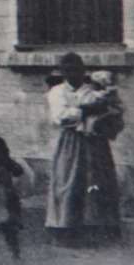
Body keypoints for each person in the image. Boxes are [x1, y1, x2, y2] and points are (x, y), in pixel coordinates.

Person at [45, 52, 124, 246]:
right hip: (70, 142)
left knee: (97, 182)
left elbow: (115, 110)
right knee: (69, 182)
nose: (73, 74)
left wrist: (103, 115)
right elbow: (61, 117)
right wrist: (85, 110)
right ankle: (67, 228)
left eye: (76, 69)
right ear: (62, 72)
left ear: (83, 70)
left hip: (95, 142)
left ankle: (99, 227)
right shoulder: (56, 92)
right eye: (68, 70)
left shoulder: (93, 90)